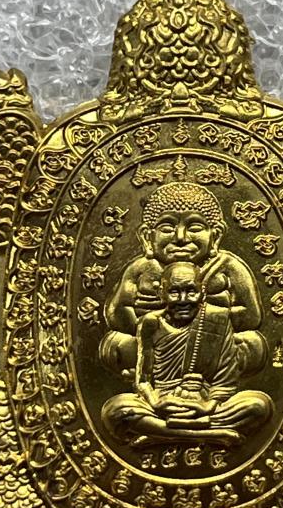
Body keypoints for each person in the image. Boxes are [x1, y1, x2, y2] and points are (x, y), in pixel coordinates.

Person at [99, 181, 267, 379]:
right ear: (147, 237)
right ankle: (151, 372)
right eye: (167, 228)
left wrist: (209, 313)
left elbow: (252, 317)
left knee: (253, 343)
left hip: (213, 348)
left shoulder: (226, 266)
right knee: (115, 344)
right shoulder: (142, 269)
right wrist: (155, 321)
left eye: (194, 227)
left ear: (216, 236)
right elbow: (116, 315)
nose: (180, 237)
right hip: (156, 346)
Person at [101, 262, 272, 446]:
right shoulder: (150, 323)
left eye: (191, 291)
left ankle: (161, 433)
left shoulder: (218, 319)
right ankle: (213, 434)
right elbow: (143, 379)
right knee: (116, 411)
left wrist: (208, 406)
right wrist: (156, 402)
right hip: (163, 403)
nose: (183, 300)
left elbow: (225, 379)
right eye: (174, 292)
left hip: (204, 405)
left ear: (202, 292)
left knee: (258, 406)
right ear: (161, 293)